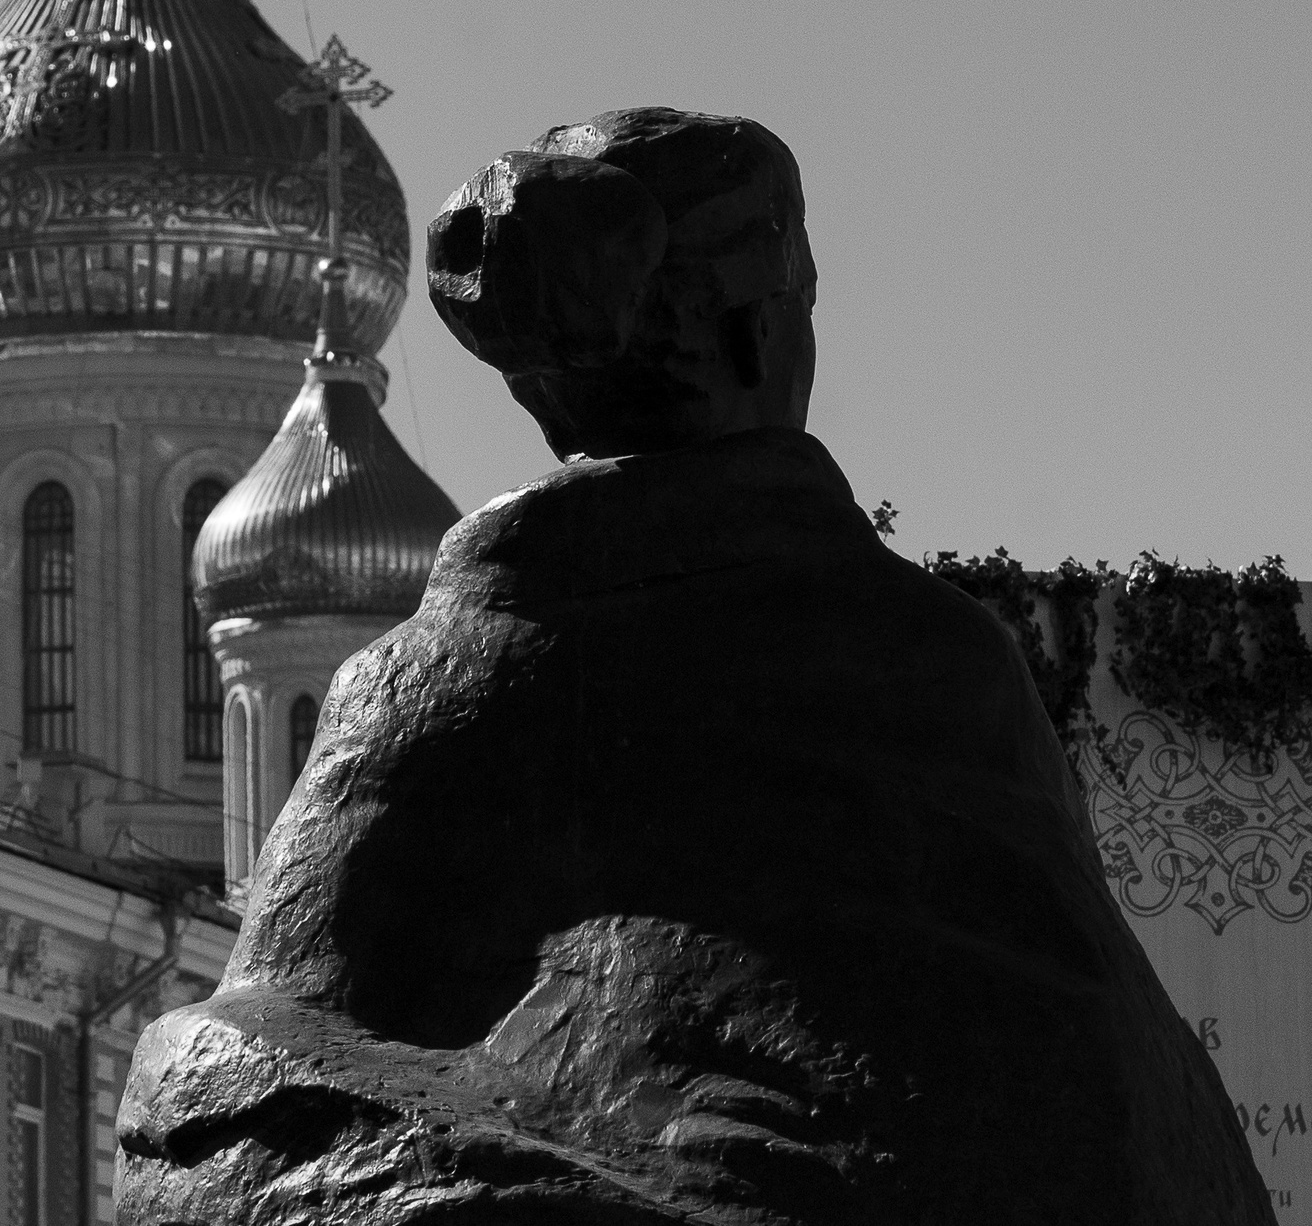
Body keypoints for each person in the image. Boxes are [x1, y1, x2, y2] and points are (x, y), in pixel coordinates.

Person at [118, 108, 1265, 1224]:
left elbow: (220, 1097)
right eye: (804, 301)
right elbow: (1127, 1092)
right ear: (761, 335)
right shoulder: (929, 655)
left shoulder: (435, 681)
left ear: (542, 382)